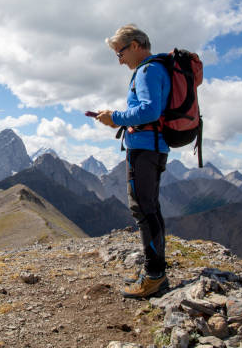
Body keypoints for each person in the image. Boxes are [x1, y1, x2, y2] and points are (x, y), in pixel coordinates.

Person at [96, 24, 170, 298]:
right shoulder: (156, 69)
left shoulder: (147, 70)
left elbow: (149, 110)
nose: (120, 60)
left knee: (143, 210)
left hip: (144, 148)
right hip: (153, 147)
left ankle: (154, 277)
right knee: (150, 209)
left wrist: (114, 117)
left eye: (120, 52)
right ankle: (155, 271)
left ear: (137, 45)